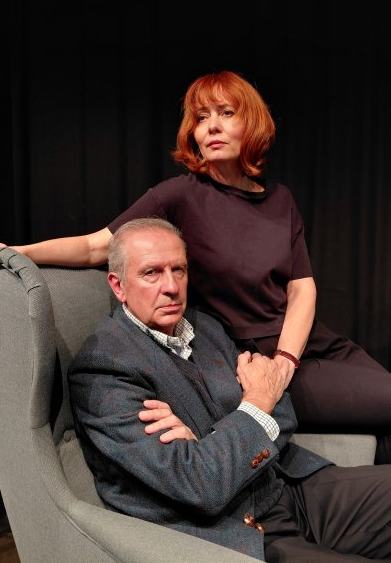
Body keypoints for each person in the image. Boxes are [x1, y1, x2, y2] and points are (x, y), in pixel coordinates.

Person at [0, 70, 391, 463]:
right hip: (253, 360)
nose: (212, 126)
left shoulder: (281, 199)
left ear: (252, 123)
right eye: (201, 118)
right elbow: (93, 247)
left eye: (226, 113)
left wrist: (288, 360)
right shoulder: (179, 196)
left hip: (304, 346)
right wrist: (9, 250)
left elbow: (302, 288)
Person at [68, 217, 391, 562]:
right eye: (152, 273)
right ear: (118, 286)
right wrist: (254, 404)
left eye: (179, 270)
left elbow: (281, 407)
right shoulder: (104, 369)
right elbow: (200, 485)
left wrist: (209, 443)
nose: (172, 286)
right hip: (237, 530)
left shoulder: (205, 327)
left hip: (288, 486)